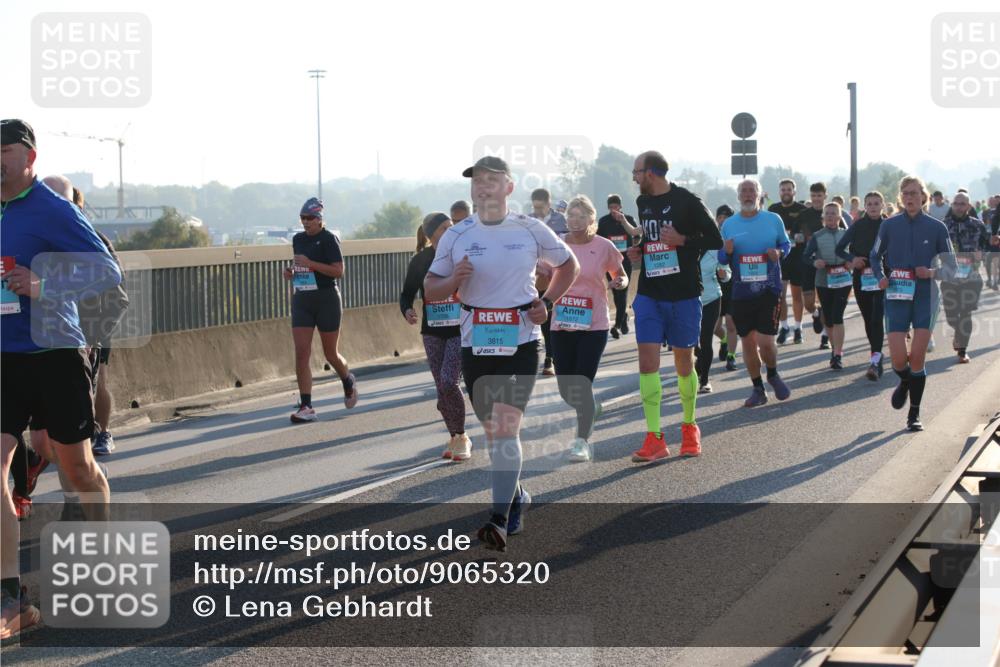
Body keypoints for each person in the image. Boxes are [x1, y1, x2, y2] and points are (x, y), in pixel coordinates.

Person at [1, 119, 122, 639]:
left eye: (5, 151)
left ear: (29, 157)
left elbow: (106, 272)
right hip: (4, 355)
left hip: (54, 350)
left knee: (76, 467)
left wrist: (41, 283)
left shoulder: (53, 208)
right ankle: (12, 598)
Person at [424, 156, 578, 551]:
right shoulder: (456, 234)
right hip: (476, 342)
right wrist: (453, 280)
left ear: (509, 187)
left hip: (521, 340)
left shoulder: (530, 228)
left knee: (507, 427)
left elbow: (568, 264)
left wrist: (548, 300)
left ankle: (497, 518)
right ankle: (518, 495)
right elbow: (430, 288)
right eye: (476, 180)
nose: (482, 186)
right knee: (495, 434)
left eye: (491, 180)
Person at [625, 150, 723, 461]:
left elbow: (715, 239)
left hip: (683, 293)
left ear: (651, 172)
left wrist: (683, 240)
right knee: (646, 363)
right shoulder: (643, 203)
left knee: (684, 362)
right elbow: (651, 239)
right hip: (650, 293)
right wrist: (639, 251)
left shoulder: (687, 201)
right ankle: (655, 438)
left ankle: (690, 427)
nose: (635, 177)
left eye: (637, 172)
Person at [870, 176, 955, 432]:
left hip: (925, 295)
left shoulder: (937, 227)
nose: (910, 197)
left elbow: (950, 268)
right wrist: (880, 277)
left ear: (923, 197)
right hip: (896, 293)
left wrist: (930, 272)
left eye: (915, 193)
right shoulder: (889, 225)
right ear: (900, 197)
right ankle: (905, 381)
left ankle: (914, 414)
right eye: (906, 193)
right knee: (898, 359)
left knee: (917, 357)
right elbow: (875, 255)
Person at [550, 195, 627, 462]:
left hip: (593, 323)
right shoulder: (557, 245)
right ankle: (591, 408)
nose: (574, 220)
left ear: (591, 219)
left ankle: (580, 441)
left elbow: (621, 274)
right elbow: (542, 275)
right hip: (561, 323)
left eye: (581, 216)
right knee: (565, 388)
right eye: (571, 215)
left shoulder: (603, 246)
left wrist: (620, 282)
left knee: (582, 384)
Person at [400, 212, 470, 460]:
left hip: (460, 330)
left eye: (452, 227)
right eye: (444, 228)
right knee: (442, 388)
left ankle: (462, 437)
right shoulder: (421, 260)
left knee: (449, 381)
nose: (450, 231)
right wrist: (407, 310)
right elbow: (406, 294)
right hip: (432, 331)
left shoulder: (462, 255)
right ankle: (453, 435)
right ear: (430, 235)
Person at [718, 178, 792, 407]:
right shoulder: (729, 224)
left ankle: (772, 373)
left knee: (766, 341)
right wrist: (726, 252)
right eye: (744, 191)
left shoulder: (773, 219)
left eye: (752, 191)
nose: (748, 195)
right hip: (741, 291)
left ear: (759, 195)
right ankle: (757, 387)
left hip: (768, 288)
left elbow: (786, 245)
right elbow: (721, 258)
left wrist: (779, 253)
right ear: (738, 196)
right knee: (748, 342)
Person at [284, 197, 357, 422]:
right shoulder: (298, 239)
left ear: (319, 219)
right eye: (302, 218)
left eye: (310, 218)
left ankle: (347, 380)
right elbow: (302, 267)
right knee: (301, 352)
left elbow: (338, 271)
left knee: (330, 354)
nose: (305, 222)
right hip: (303, 299)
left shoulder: (329, 239)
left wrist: (310, 264)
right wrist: (292, 273)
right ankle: (306, 405)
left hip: (326, 299)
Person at [836, 191, 887, 380]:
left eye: (876, 203)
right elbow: (839, 248)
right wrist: (853, 258)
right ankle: (876, 355)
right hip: (862, 277)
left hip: (882, 276)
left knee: (876, 317)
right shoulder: (857, 226)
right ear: (865, 206)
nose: (873, 207)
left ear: (882, 205)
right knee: (868, 319)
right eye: (869, 204)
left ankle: (876, 360)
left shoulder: (888, 224)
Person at [940, 192, 992, 363]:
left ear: (968, 206)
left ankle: (962, 350)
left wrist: (981, 254)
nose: (959, 206)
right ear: (952, 205)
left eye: (963, 204)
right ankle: (957, 332)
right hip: (950, 277)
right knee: (951, 315)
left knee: (966, 312)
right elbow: (934, 248)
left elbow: (987, 246)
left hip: (972, 277)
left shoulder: (977, 225)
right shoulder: (943, 226)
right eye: (956, 203)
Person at [803, 203, 852, 370]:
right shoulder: (818, 236)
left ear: (839, 217)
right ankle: (833, 350)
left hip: (843, 279)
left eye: (834, 214)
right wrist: (814, 261)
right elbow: (805, 257)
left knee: (838, 315)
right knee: (829, 318)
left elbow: (853, 252)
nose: (831, 217)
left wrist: (849, 261)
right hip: (824, 280)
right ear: (823, 217)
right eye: (828, 214)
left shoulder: (846, 234)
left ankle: (838, 354)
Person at [528, 188, 567, 376]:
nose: (537, 211)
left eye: (540, 207)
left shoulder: (561, 221)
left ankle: (553, 356)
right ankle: (549, 358)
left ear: (549, 204)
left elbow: (569, 248)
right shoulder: (527, 221)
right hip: (538, 278)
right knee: (545, 319)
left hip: (559, 276)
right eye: (534, 207)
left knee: (555, 320)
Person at [769, 179, 808, 345]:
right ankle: (784, 327)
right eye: (783, 189)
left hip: (798, 257)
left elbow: (807, 235)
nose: (786, 192)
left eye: (789, 189)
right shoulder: (773, 209)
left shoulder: (802, 210)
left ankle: (798, 327)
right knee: (780, 295)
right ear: (779, 192)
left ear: (794, 191)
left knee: (797, 296)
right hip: (780, 258)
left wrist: (795, 237)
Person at [597, 194, 641, 338]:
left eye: (616, 207)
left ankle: (616, 325)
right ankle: (624, 317)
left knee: (623, 291)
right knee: (616, 292)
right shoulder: (603, 222)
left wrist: (635, 244)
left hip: (626, 260)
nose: (613, 210)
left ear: (620, 207)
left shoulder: (628, 220)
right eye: (611, 207)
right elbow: (598, 240)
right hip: (610, 261)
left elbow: (637, 236)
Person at [695, 226, 731, 393]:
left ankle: (705, 380)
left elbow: (727, 270)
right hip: (689, 301)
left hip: (712, 299)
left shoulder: (716, 249)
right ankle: (698, 359)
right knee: (692, 342)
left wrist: (724, 275)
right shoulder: (684, 248)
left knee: (705, 337)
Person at [715, 205, 740, 371]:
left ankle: (731, 356)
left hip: (732, 285)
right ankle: (724, 340)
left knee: (731, 323)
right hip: (713, 286)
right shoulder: (710, 236)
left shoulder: (736, 236)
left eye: (726, 217)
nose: (722, 220)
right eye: (720, 217)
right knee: (715, 326)